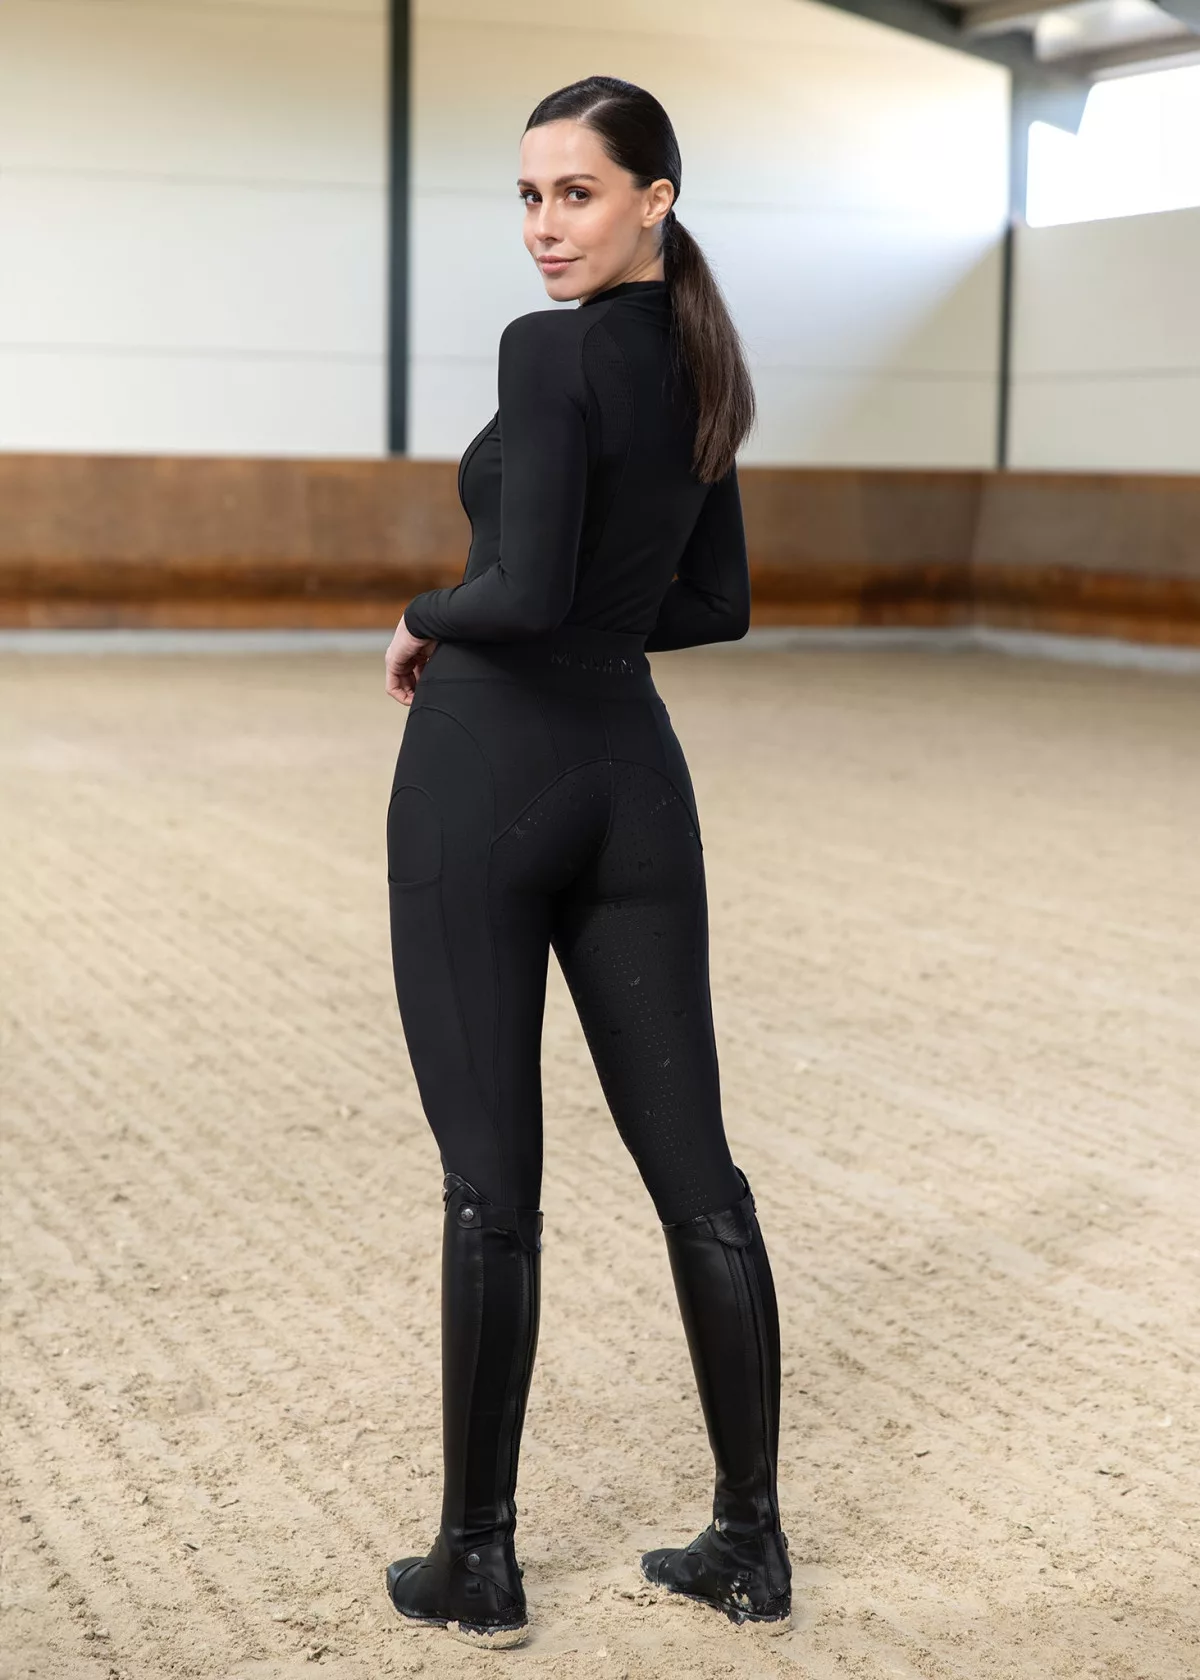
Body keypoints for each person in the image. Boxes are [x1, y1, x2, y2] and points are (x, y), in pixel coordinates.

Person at [381, 74, 789, 1649]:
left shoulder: (544, 354)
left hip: (490, 768)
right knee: (702, 1178)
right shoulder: (701, 363)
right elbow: (717, 605)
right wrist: (590, 621)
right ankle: (747, 1543)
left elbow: (525, 590)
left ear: (653, 199)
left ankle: (477, 1562)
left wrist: (423, 614)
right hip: (633, 779)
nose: (546, 226)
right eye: (531, 196)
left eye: (579, 192)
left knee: (492, 1184)